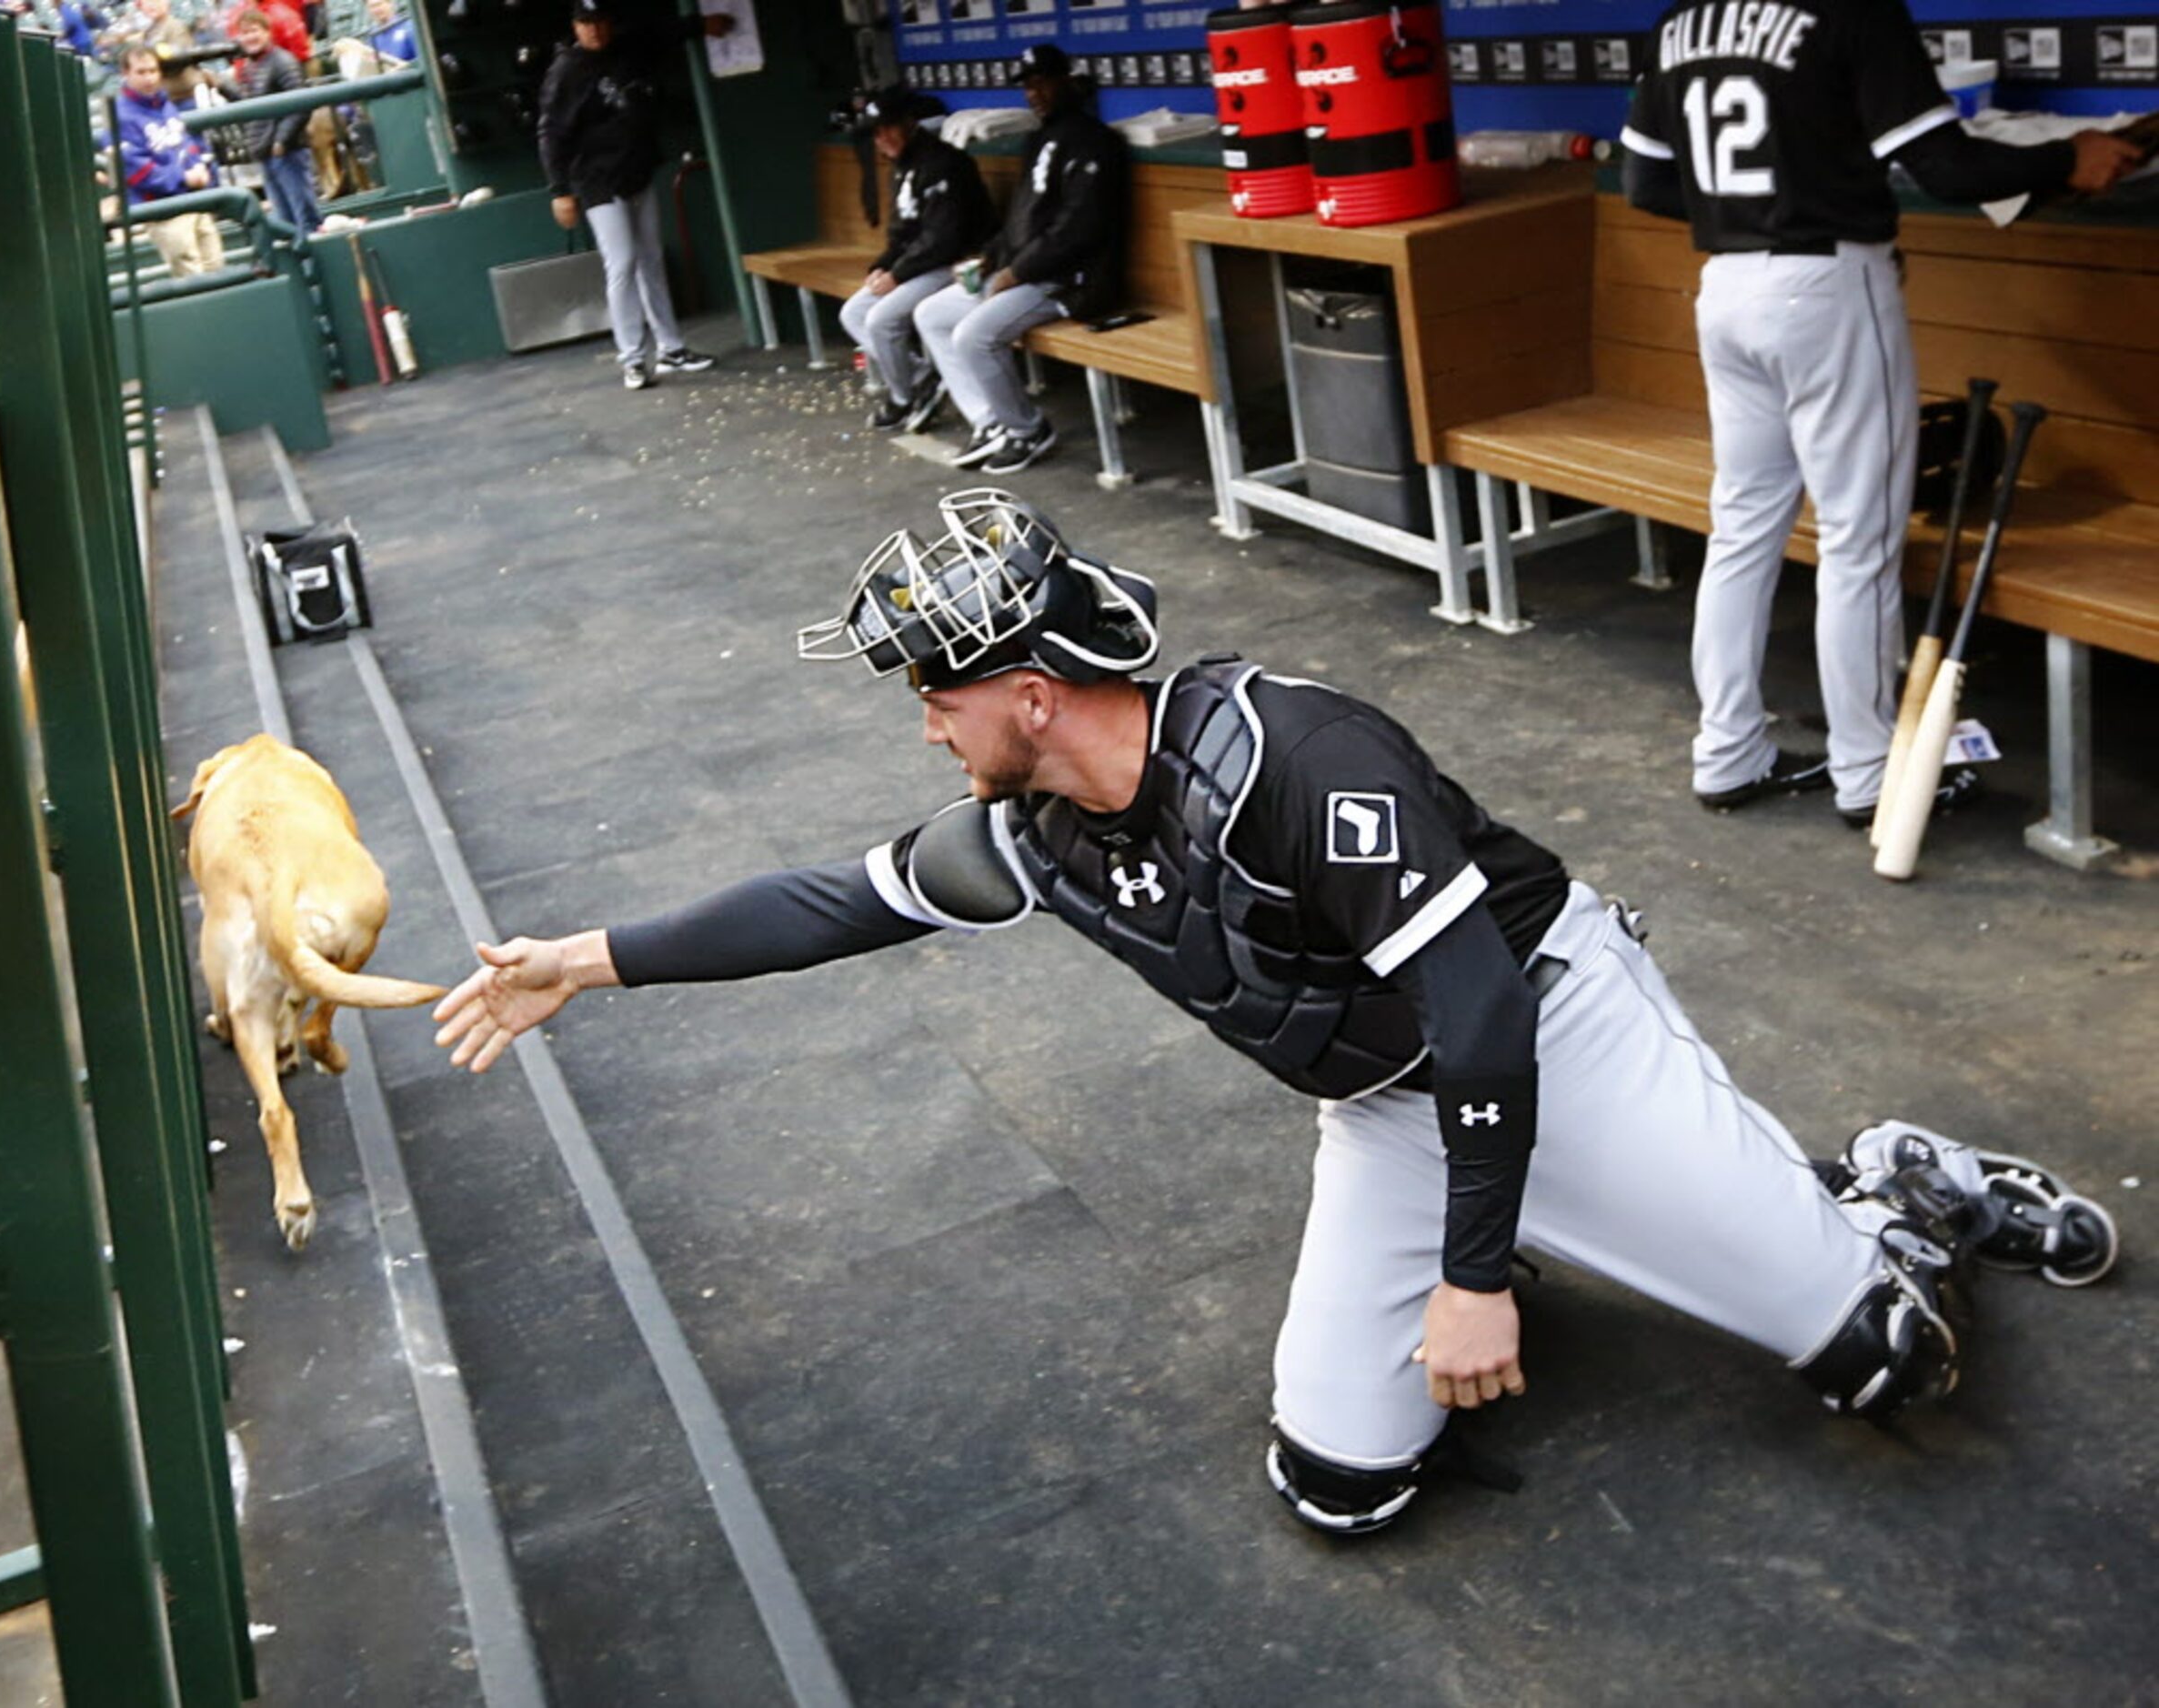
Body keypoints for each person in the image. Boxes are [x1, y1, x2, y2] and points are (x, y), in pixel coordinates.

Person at [430, 491, 2118, 1536]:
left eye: (937, 694)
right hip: (1400, 1107)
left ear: (1029, 690)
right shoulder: (1039, 824)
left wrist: (1465, 1284)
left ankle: (1890, 1186)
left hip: (1549, 1035)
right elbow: (831, 902)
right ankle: (1528, 1229)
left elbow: (1477, 1011)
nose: (925, 725)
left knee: (1892, 1361)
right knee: (1343, 1482)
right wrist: (583, 958)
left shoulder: (1298, 756)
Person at [1620, 0, 2144, 828]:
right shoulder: (1851, 8)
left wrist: (1763, 213)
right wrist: (2065, 157)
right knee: (1857, 541)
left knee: (1743, 525)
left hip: (1726, 285)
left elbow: (1647, 182)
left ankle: (1727, 754)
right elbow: (1946, 169)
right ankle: (1869, 773)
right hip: (1828, 285)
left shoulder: (1683, 17)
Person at [912, 43, 1128, 475]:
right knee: (932, 313)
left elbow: (1079, 229)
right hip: (1022, 275)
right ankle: (990, 422)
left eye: (1043, 81)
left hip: (1069, 281)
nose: (1035, 92)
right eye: (1028, 84)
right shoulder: (1039, 138)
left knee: (974, 335)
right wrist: (989, 260)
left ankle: (1028, 429)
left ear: (1067, 80)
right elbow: (1020, 222)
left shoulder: (1094, 141)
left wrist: (1018, 270)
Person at [537, 0, 715, 391]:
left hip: (637, 170)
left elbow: (664, 33)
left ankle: (671, 348)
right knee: (622, 262)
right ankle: (632, 358)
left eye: (599, 21)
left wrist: (703, 24)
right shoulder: (566, 70)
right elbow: (551, 132)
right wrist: (559, 190)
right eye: (586, 23)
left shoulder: (627, 47)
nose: (594, 30)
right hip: (597, 179)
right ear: (575, 26)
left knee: (651, 258)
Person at [840, 85, 995, 436]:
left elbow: (945, 240)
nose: (882, 138)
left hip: (959, 264)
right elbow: (901, 234)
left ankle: (903, 395)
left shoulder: (944, 163)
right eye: (876, 132)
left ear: (909, 122)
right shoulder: (902, 166)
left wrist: (897, 275)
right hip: (922, 264)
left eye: (889, 128)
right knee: (854, 311)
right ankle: (921, 377)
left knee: (881, 318)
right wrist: (882, 265)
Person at [115, 43, 225, 278]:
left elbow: (187, 143)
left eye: (153, 71)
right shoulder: (122, 115)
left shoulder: (164, 103)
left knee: (217, 267)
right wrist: (183, 176)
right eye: (141, 72)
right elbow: (136, 170)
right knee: (192, 278)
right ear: (125, 74)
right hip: (164, 211)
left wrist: (198, 165)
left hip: (194, 199)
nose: (149, 78)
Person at [224, 8, 318, 236]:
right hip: (266, 151)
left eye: (254, 31)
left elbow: (302, 103)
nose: (250, 37)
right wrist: (222, 85)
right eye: (244, 33)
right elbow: (249, 104)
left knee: (304, 217)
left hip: (287, 151)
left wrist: (281, 140)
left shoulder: (283, 61)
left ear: (267, 32)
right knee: (285, 222)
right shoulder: (249, 66)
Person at [362, 0, 415, 65]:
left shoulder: (408, 27)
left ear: (390, 3)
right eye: (372, 7)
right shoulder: (373, 37)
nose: (376, 10)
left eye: (379, 4)